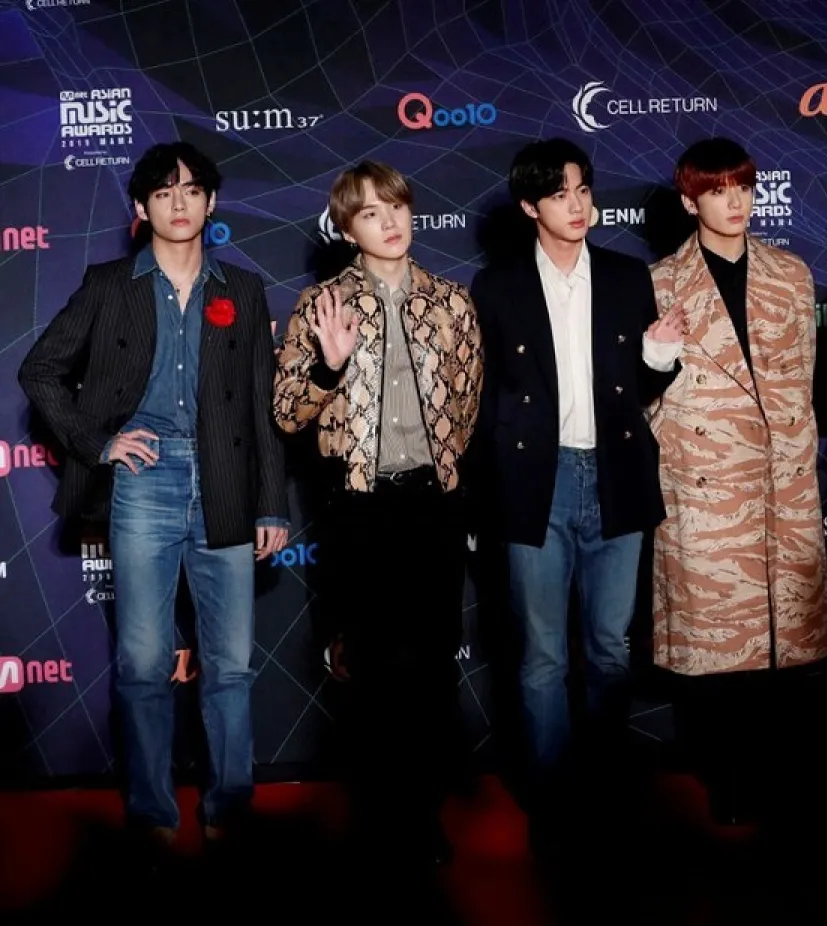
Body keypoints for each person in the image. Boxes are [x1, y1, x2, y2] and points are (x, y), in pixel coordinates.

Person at [18, 141, 289, 857]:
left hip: (227, 482)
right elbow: (40, 369)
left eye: (191, 189)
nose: (179, 203)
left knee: (230, 663)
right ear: (141, 208)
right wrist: (98, 441)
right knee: (143, 663)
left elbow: (261, 405)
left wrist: (271, 503)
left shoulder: (243, 288)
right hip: (145, 482)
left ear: (211, 202)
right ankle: (151, 814)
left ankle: (230, 807)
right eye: (163, 192)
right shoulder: (110, 284)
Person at [272, 160, 484, 869]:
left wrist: (445, 482)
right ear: (346, 228)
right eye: (369, 212)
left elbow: (467, 410)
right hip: (358, 509)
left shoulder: (452, 302)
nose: (389, 222)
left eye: (395, 206)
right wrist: (327, 368)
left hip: (433, 505)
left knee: (432, 664)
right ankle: (381, 816)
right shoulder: (321, 304)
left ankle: (422, 814)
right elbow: (286, 413)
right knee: (370, 667)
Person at [470, 139, 674, 824]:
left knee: (611, 649)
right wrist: (487, 491)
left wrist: (660, 359)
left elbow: (640, 386)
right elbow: (485, 398)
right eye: (559, 194)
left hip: (616, 473)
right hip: (536, 481)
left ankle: (607, 787)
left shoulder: (625, 276)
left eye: (583, 189)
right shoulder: (497, 286)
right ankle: (552, 797)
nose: (578, 205)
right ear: (531, 207)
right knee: (542, 655)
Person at [643, 138, 827, 825]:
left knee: (786, 635)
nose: (736, 203)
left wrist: (793, 444)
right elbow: (643, 392)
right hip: (705, 481)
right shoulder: (658, 283)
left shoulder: (792, 274)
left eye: (744, 188)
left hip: (782, 479)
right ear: (689, 200)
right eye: (717, 190)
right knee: (716, 639)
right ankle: (723, 777)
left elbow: (802, 376)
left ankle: (781, 777)